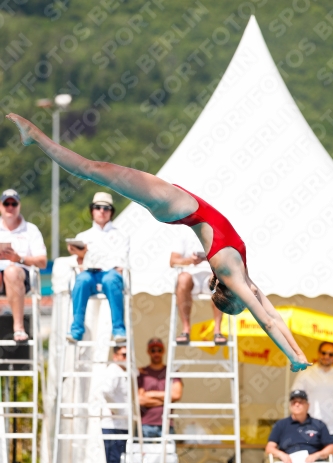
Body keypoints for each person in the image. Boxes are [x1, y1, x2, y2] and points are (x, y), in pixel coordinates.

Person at [6, 113, 311, 371]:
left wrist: (291, 357)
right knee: (96, 171)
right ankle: (36, 137)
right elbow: (272, 315)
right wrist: (298, 355)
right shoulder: (240, 277)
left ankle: (35, 136)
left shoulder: (229, 270)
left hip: (172, 204)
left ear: (232, 294)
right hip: (177, 204)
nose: (251, 299)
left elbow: (267, 323)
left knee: (94, 170)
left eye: (243, 301)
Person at [66, 191, 129, 342]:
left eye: (106, 208)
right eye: (98, 207)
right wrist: (81, 255)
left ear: (111, 212)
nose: (102, 211)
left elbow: (120, 265)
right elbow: (81, 265)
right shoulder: (83, 236)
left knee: (111, 279)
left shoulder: (122, 235)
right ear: (92, 210)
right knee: (81, 280)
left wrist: (88, 256)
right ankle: (76, 329)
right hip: (90, 276)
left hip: (110, 275)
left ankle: (119, 329)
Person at [0, 188, 47, 341]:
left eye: (13, 203)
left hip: (21, 277)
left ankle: (18, 326)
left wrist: (19, 258)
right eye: (6, 203)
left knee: (12, 271)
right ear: (1, 206)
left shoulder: (31, 230)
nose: (10, 207)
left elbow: (42, 262)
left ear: (19, 205)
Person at [170, 226, 225, 345]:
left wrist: (207, 259)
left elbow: (225, 260)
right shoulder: (183, 231)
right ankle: (185, 329)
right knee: (183, 279)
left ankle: (217, 330)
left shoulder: (216, 231)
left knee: (219, 281)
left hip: (210, 274)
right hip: (191, 276)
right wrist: (190, 260)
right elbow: (173, 261)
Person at [265, 389, 333, 463]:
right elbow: (269, 448)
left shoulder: (319, 424)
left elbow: (330, 447)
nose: (297, 404)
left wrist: (317, 455)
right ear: (290, 406)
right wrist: (282, 455)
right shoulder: (281, 424)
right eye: (294, 402)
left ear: (307, 405)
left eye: (300, 402)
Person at [138, 338, 182, 438]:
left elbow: (176, 394)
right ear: (148, 352)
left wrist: (151, 394)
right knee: (144, 453)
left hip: (167, 424)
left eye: (159, 350)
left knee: (168, 453)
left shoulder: (172, 372)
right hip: (145, 424)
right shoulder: (142, 373)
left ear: (164, 351)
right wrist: (166, 399)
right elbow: (140, 400)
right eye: (153, 350)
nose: (156, 353)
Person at [100, 345, 128, 463]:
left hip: (121, 426)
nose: (127, 358)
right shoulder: (113, 371)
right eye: (124, 354)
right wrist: (115, 409)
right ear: (115, 355)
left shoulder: (123, 372)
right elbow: (105, 390)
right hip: (112, 426)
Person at [291, 341, 333, 434]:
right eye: (324, 353)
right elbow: (295, 399)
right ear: (318, 353)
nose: (327, 356)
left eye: (331, 354)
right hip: (309, 427)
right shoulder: (305, 373)